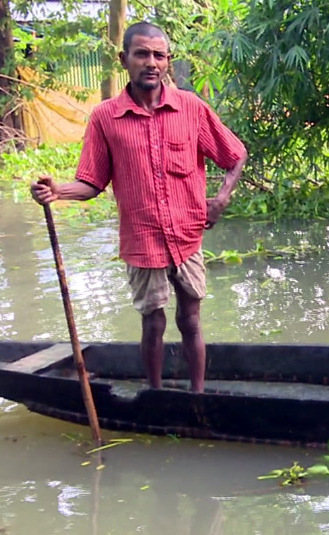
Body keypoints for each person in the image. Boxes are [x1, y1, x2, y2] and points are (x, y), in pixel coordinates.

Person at [29, 21, 247, 393]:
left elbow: (235, 154)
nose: (151, 63)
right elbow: (92, 182)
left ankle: (198, 395)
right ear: (124, 59)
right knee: (153, 321)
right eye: (142, 54)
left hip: (187, 235)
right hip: (143, 240)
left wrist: (220, 199)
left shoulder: (191, 108)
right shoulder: (105, 118)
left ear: (168, 61)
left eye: (158, 55)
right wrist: (57, 191)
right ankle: (156, 394)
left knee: (191, 319)